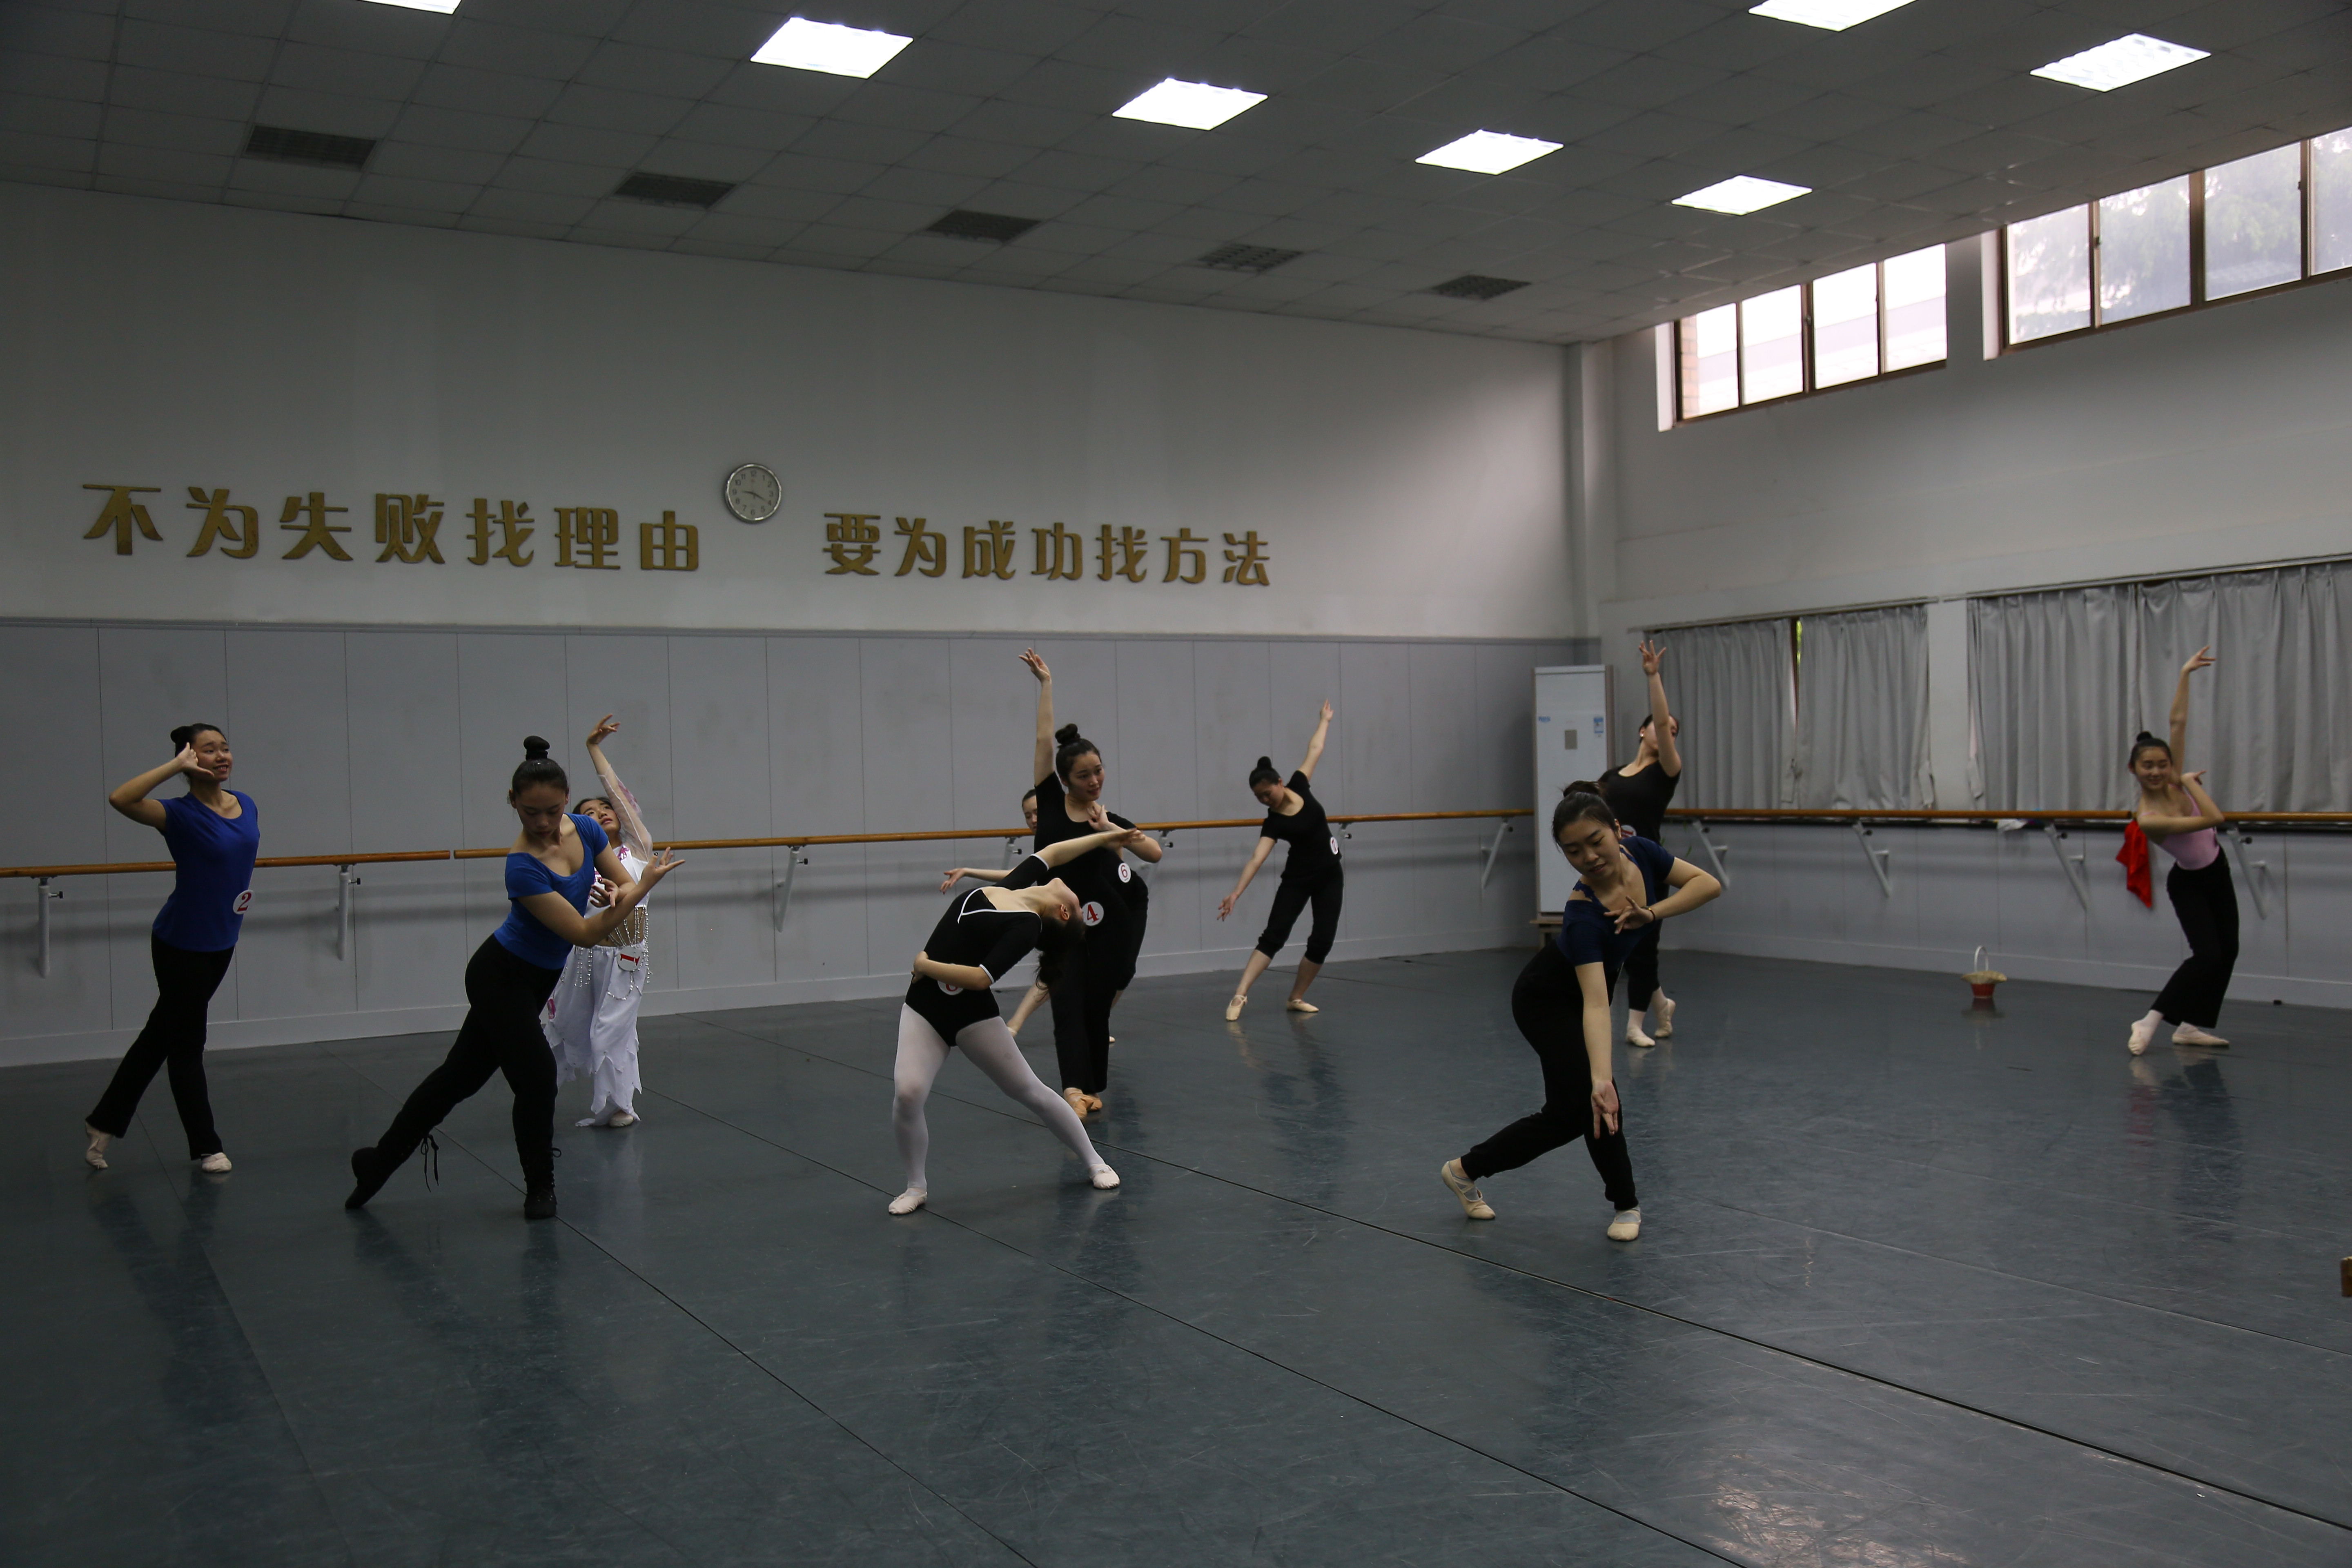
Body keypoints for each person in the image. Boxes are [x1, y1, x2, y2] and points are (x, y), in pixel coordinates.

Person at [345, 737, 678, 1221]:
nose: (542, 823)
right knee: (538, 1077)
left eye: (552, 811)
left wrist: (619, 892)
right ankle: (540, 1188)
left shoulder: (586, 829)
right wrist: (638, 890)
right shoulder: (522, 867)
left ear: (566, 801)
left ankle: (377, 1163)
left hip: (538, 979)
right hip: (500, 976)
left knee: (457, 1079)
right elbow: (584, 934)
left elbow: (624, 885)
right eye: (530, 813)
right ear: (513, 803)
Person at [1439, 784, 1719, 1241]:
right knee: (1594, 1102)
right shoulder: (1584, 915)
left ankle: (1464, 1170)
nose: (1589, 857)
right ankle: (1626, 1205)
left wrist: (1651, 913)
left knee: (1568, 1114)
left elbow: (1708, 885)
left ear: (1616, 830)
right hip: (1547, 999)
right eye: (1573, 851)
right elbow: (1595, 1003)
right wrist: (1602, 1080)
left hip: (1583, 995)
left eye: (1595, 841)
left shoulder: (1642, 852)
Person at [897, 828, 1142, 1215]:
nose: (1074, 891)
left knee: (1031, 1091)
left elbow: (981, 978)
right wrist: (1103, 838)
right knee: (908, 1093)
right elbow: (1054, 852)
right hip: (924, 1009)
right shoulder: (1013, 888)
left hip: (972, 1016)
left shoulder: (1027, 926)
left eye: (1078, 905)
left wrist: (925, 965)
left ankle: (1096, 1162)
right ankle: (916, 1186)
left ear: (1064, 912)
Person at [84, 724, 260, 1175]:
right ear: (190, 758)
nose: (221, 756)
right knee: (187, 1044)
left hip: (223, 939)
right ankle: (207, 1146)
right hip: (181, 943)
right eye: (209, 750)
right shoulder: (177, 814)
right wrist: (173, 766)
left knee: (160, 1035)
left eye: (225, 748)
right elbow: (121, 799)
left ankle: (103, 1122)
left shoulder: (247, 804)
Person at [1019, 649, 1162, 1118]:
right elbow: (1043, 739)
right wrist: (1047, 684)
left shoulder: (1106, 818)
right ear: (1065, 780)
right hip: (1062, 923)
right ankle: (1073, 1089)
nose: (1095, 780)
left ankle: (1092, 1086)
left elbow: (1153, 852)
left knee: (1098, 1008)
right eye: (1084, 776)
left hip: (1108, 923)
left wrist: (1109, 830)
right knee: (1066, 1004)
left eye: (1099, 771)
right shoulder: (1050, 803)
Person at [543, 715, 656, 1129]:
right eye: (589, 813)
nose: (602, 813)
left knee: (611, 1030)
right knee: (566, 1025)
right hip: (584, 954)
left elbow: (620, 798)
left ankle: (620, 1105)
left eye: (605, 808)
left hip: (627, 955)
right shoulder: (579, 862)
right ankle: (542, 1088)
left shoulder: (638, 850)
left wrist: (594, 749)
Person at [2126, 647, 2235, 1054]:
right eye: (2147, 766)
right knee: (2206, 955)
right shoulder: (2149, 817)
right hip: (2189, 883)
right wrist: (2189, 782)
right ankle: (2150, 1020)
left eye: (2163, 764)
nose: (2156, 771)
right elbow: (2214, 818)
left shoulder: (2171, 779)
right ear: (2134, 771)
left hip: (2217, 869)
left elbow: (2178, 721)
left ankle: (2191, 1026)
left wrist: (2186, 673)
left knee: (2228, 951)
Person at [1217, 701, 1341, 1021]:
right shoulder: (1274, 822)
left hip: (1330, 875)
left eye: (1267, 794)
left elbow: (1315, 749)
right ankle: (1240, 994)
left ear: (1280, 783)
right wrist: (1236, 893)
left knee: (1322, 940)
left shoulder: (1300, 784)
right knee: (1274, 936)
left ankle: (1296, 998)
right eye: (1259, 798)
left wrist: (1324, 720)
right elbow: (1256, 859)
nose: (1264, 801)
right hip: (1298, 880)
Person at [1599, 640, 1682, 1049]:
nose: (1667, 731)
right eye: (1661, 727)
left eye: (1673, 732)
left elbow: (1663, 722)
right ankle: (1662, 1004)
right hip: (1614, 869)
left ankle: (1634, 1025)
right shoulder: (1612, 777)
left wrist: (1653, 677)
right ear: (1641, 731)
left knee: (1644, 945)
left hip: (1649, 869)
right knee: (1626, 945)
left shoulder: (1667, 770)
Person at [1005, 787, 1052, 1036]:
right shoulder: (1043, 844)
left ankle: (1014, 1025)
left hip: (1088, 911)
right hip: (1065, 914)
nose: (1033, 820)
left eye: (1037, 813)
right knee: (1056, 968)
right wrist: (969, 871)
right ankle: (1014, 1025)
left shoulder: (1063, 838)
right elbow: (1020, 875)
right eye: (1027, 816)